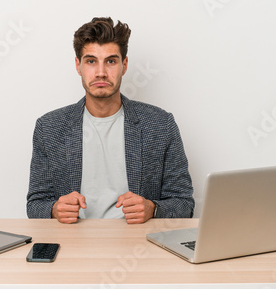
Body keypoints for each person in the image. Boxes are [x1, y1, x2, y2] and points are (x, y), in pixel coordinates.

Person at [26, 17, 194, 224]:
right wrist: (54, 209)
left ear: (124, 65)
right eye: (91, 61)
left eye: (111, 61)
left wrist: (153, 208)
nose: (101, 73)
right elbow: (35, 204)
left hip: (138, 243)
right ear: (78, 66)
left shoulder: (160, 124)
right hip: (73, 242)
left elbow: (184, 203)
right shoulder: (49, 128)